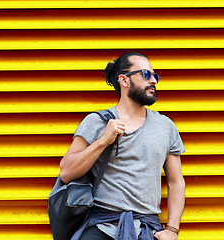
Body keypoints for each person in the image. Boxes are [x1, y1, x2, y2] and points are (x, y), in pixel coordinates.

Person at [59, 52, 186, 240]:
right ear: (123, 80)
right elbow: (66, 172)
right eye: (145, 74)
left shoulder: (166, 126)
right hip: (101, 227)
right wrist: (103, 141)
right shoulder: (96, 122)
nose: (153, 81)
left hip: (146, 230)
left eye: (154, 75)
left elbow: (176, 182)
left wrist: (172, 230)